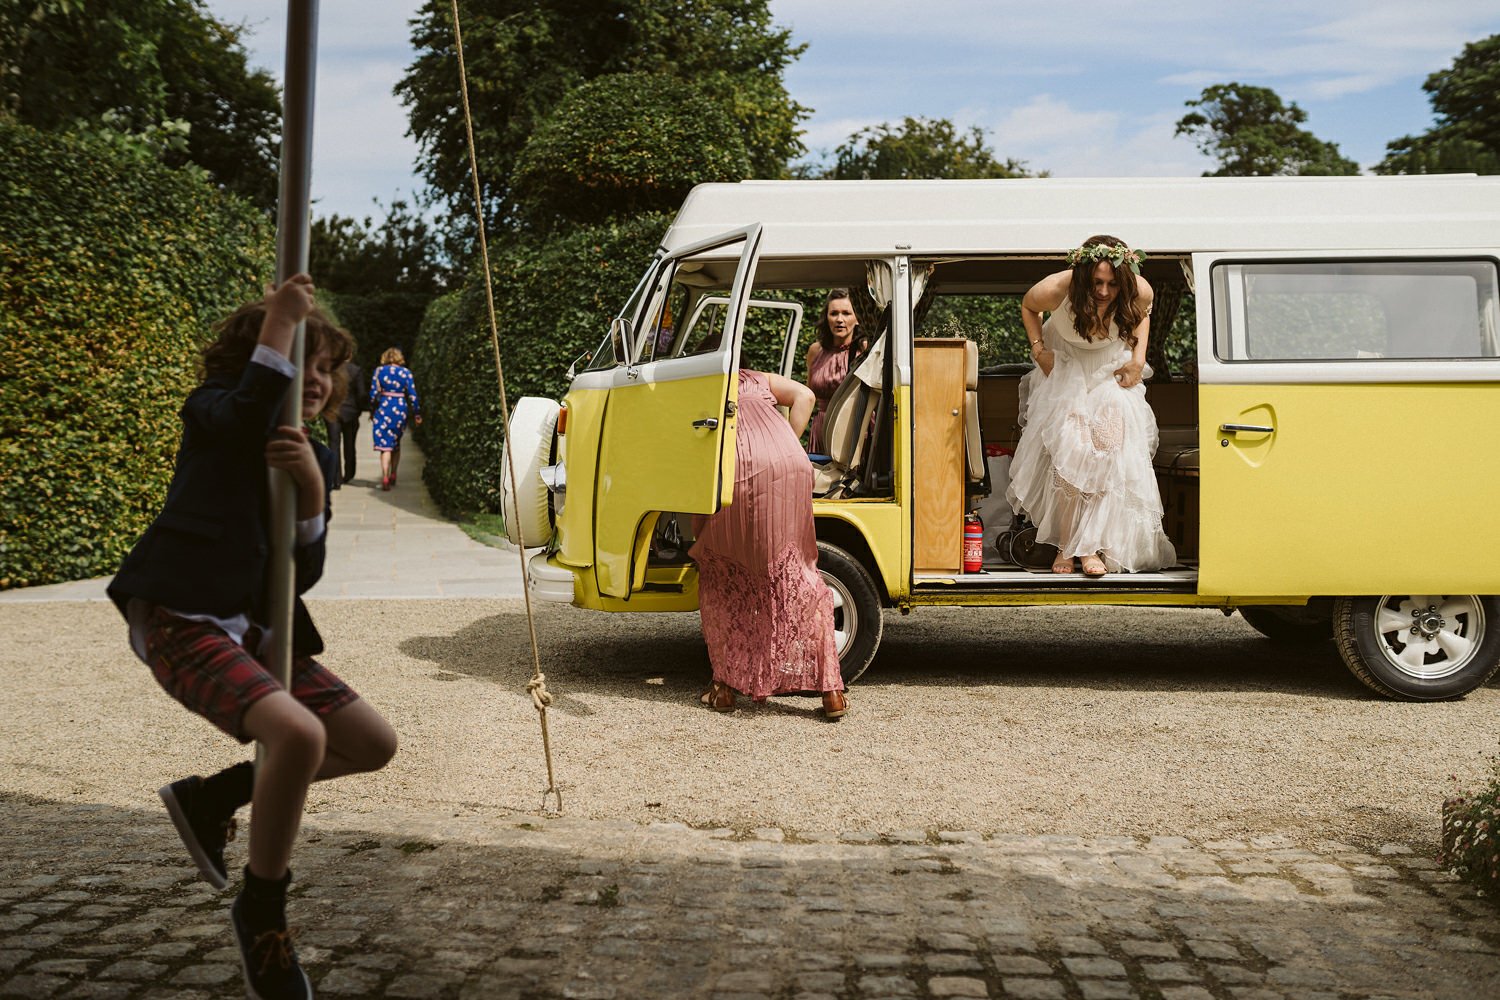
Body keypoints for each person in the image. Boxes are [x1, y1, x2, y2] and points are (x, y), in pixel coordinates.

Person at [105, 274, 398, 1000]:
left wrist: (312, 496)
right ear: (260, 357)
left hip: (257, 629)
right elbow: (243, 417)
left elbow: (302, 574)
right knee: (298, 737)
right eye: (302, 360)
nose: (317, 379)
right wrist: (281, 322)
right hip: (181, 616)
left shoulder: (316, 450)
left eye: (327, 367)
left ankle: (214, 797)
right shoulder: (214, 411)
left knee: (371, 741)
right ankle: (262, 912)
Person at [1006, 235, 1176, 577]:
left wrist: (1138, 359)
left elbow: (1143, 313)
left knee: (1106, 457)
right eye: (1097, 283)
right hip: (1067, 370)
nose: (1103, 291)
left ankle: (1092, 548)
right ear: (1083, 277)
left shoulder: (1139, 290)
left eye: (1113, 284)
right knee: (1069, 459)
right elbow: (1028, 306)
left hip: (1109, 371)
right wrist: (1039, 352)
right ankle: (1067, 547)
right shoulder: (1058, 287)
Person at [691, 369, 848, 719]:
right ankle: (832, 691)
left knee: (724, 577)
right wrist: (786, 440)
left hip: (736, 471)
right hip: (788, 465)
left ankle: (723, 689)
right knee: (797, 572)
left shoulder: (699, 382)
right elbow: (806, 396)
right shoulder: (757, 379)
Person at [805, 289, 867, 454]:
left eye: (846, 313)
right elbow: (807, 396)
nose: (840, 319)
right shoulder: (815, 351)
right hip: (821, 428)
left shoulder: (866, 349)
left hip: (856, 429)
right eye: (834, 313)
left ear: (857, 318)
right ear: (827, 318)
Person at [369, 347, 421, 491]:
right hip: (399, 409)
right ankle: (393, 474)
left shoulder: (379, 371)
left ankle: (384, 476)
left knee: (384, 446)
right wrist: (417, 413)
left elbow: (373, 394)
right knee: (396, 443)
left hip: (383, 409)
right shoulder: (406, 373)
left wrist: (372, 411)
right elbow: (412, 395)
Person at [323, 359, 363, 486]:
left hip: (333, 411)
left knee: (333, 444)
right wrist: (359, 409)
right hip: (351, 412)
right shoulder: (356, 370)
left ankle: (336, 479)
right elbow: (361, 394)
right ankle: (349, 473)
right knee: (350, 443)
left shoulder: (330, 369)